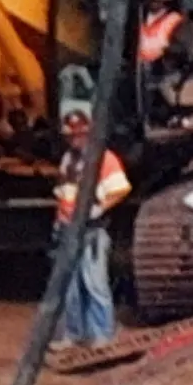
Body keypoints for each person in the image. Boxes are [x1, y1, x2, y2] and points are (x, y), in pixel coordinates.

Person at [53, 104, 132, 346]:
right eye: (72, 134)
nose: (76, 138)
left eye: (80, 133)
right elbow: (64, 193)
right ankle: (73, 333)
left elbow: (120, 188)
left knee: (94, 284)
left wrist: (97, 209)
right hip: (68, 230)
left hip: (92, 231)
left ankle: (101, 334)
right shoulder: (69, 159)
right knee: (70, 287)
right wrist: (59, 222)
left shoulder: (103, 159)